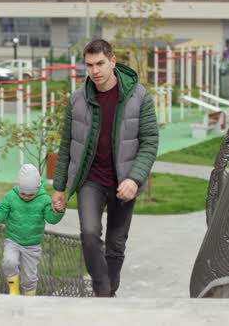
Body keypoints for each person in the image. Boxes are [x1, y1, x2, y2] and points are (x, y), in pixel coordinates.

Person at [51, 39, 159, 297]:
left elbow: (150, 141)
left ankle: (110, 291)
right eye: (89, 65)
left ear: (112, 61)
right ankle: (102, 293)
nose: (95, 70)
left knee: (115, 245)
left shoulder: (140, 97)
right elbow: (67, 144)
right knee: (89, 234)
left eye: (100, 63)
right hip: (91, 180)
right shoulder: (77, 100)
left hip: (124, 180)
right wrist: (58, 187)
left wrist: (134, 178)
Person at [0, 164, 65, 296]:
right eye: (23, 194)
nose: (26, 197)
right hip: (13, 240)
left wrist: (58, 211)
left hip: (32, 245)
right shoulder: (10, 197)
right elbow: (1, 213)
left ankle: (29, 297)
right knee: (9, 262)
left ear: (37, 188)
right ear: (18, 187)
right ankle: (13, 289)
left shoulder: (44, 199)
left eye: (30, 194)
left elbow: (51, 218)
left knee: (29, 277)